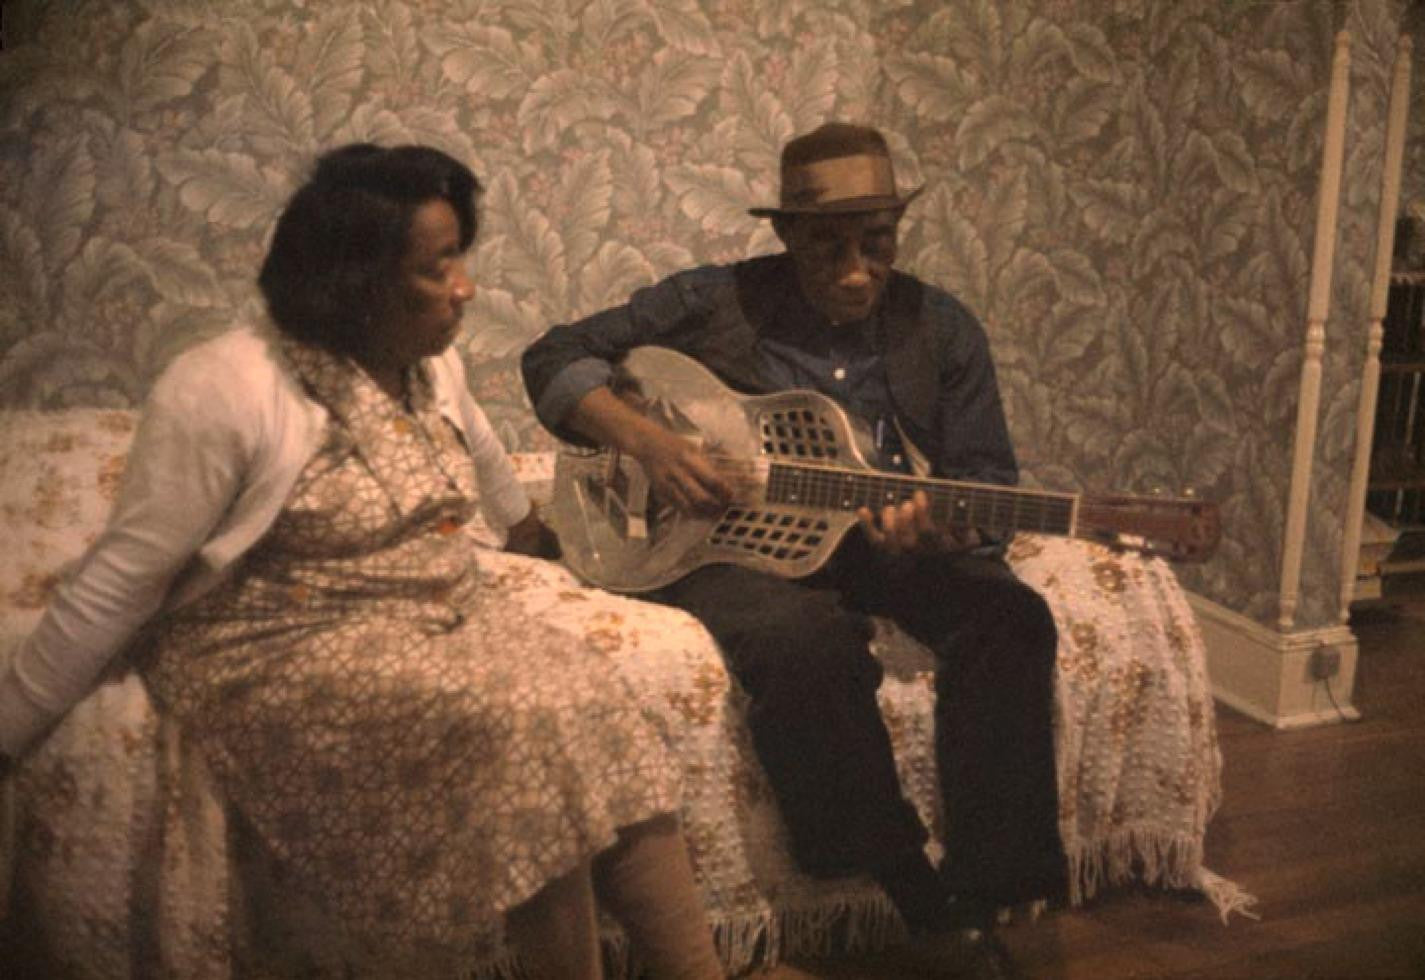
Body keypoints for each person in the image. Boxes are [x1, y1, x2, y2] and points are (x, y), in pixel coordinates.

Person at [0, 144, 723, 980]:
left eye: (460, 256)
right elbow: (119, 581)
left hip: (436, 611)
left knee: (596, 694)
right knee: (528, 725)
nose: (465, 287)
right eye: (435, 266)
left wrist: (550, 548)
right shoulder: (222, 388)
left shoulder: (430, 363)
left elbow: (487, 475)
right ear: (354, 282)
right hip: (275, 637)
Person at [523, 122, 1067, 972]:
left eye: (875, 242)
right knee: (798, 641)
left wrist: (940, 524)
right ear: (783, 233)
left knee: (1011, 615)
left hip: (873, 534)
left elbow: (983, 477)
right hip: (722, 539)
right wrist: (648, 444)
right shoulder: (713, 299)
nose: (855, 270)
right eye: (827, 246)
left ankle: (985, 891)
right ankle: (906, 886)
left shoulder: (941, 326)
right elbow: (552, 355)